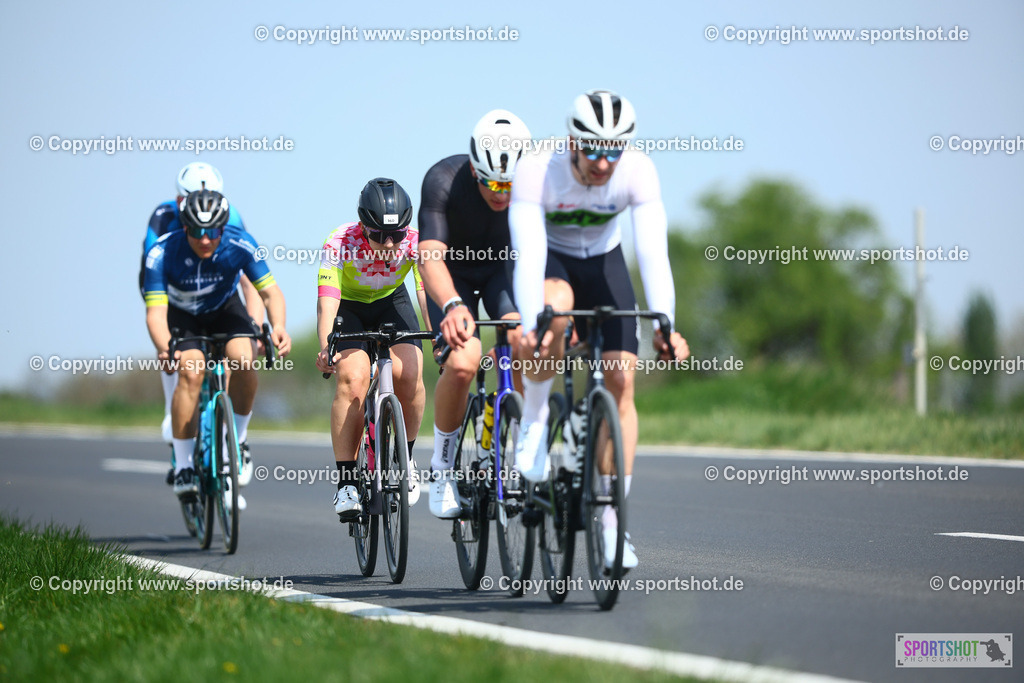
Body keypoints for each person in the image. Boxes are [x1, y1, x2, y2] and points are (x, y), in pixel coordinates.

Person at [509, 90, 690, 569]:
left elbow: (653, 253)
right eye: (592, 149)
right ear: (572, 141)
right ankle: (533, 420)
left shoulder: (638, 170)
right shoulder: (537, 168)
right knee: (554, 314)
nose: (604, 162)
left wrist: (665, 321)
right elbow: (526, 252)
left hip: (606, 267)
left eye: (614, 150)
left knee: (621, 382)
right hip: (555, 263)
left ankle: (613, 525)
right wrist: (532, 323)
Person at [143, 189, 291, 509]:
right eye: (197, 230)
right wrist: (164, 347)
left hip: (225, 310)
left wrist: (277, 326)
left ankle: (236, 442)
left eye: (213, 231)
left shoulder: (240, 243)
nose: (205, 239)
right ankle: (184, 465)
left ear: (224, 227)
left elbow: (270, 293)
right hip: (183, 317)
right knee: (191, 373)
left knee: (243, 359)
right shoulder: (161, 252)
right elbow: (155, 311)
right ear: (184, 227)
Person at [418, 109, 531, 519]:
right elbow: (429, 257)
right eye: (493, 183)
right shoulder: (442, 179)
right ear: (473, 170)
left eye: (510, 185)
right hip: (454, 274)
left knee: (523, 343)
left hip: (503, 270)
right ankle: (443, 470)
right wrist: (450, 304)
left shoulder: (536, 180)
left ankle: (517, 451)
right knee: (464, 363)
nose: (502, 194)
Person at [315, 178, 430, 521]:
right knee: (352, 379)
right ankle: (347, 483)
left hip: (391, 302)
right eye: (379, 235)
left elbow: (424, 292)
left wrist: (438, 332)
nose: (390, 243)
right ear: (363, 225)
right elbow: (328, 301)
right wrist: (325, 346)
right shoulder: (339, 242)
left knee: (409, 371)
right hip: (348, 308)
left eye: (396, 234)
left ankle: (405, 459)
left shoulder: (414, 241)